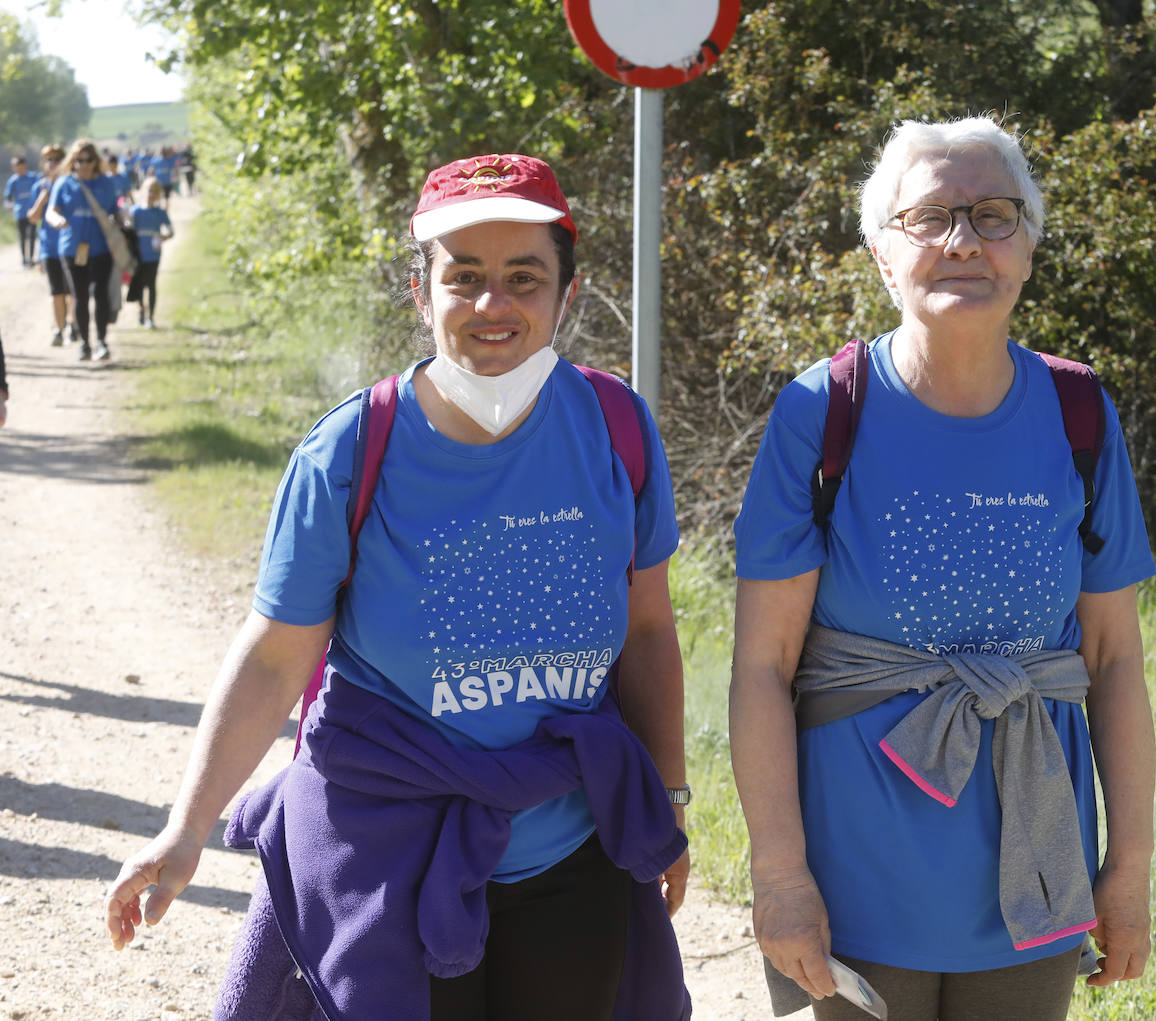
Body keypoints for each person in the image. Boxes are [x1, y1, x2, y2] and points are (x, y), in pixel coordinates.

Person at [103, 153, 693, 1021]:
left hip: (572, 846)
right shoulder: (349, 452)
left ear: (566, 294)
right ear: (423, 294)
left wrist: (667, 800)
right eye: (465, 278)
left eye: (524, 277)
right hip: (387, 852)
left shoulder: (617, 428)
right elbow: (273, 659)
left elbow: (646, 632)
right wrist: (185, 829)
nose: (494, 304)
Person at [730, 116, 1156, 1021]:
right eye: (929, 217)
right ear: (883, 253)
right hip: (857, 889)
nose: (964, 240)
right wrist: (780, 877)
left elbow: (1114, 657)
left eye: (993, 215)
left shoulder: (1078, 411)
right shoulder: (822, 412)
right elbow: (763, 667)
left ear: (1029, 248)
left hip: (1033, 883)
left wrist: (1127, 870)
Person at [45, 138, 123, 362]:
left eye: (88, 159)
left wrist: (121, 223)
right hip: (71, 249)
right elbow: (51, 211)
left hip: (101, 249)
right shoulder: (64, 183)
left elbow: (114, 211)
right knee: (79, 296)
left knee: (100, 296)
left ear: (95, 160)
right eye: (79, 160)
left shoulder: (106, 184)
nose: (84, 164)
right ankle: (84, 344)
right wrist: (56, 219)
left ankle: (101, 342)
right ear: (73, 161)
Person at [27, 145, 75, 347]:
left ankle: (73, 323)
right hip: (49, 248)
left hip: (71, 245)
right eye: (49, 159)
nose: (53, 163)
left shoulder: (71, 185)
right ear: (43, 164)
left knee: (72, 290)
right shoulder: (38, 187)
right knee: (57, 292)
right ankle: (59, 328)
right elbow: (32, 218)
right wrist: (41, 199)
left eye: (57, 159)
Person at [126, 178, 173, 327]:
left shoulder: (160, 212)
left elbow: (171, 230)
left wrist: (162, 238)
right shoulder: (135, 211)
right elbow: (128, 228)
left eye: (154, 192)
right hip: (138, 253)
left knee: (151, 284)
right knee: (139, 282)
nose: (151, 194)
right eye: (148, 191)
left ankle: (151, 317)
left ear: (158, 194)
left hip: (153, 253)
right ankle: (141, 309)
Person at [5, 155, 41, 268]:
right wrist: (9, 205)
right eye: (16, 167)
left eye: (21, 166)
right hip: (19, 213)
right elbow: (8, 197)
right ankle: (24, 260)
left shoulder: (33, 178)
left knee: (31, 236)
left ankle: (30, 259)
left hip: (32, 212)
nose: (19, 169)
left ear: (25, 166)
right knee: (22, 237)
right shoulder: (13, 181)